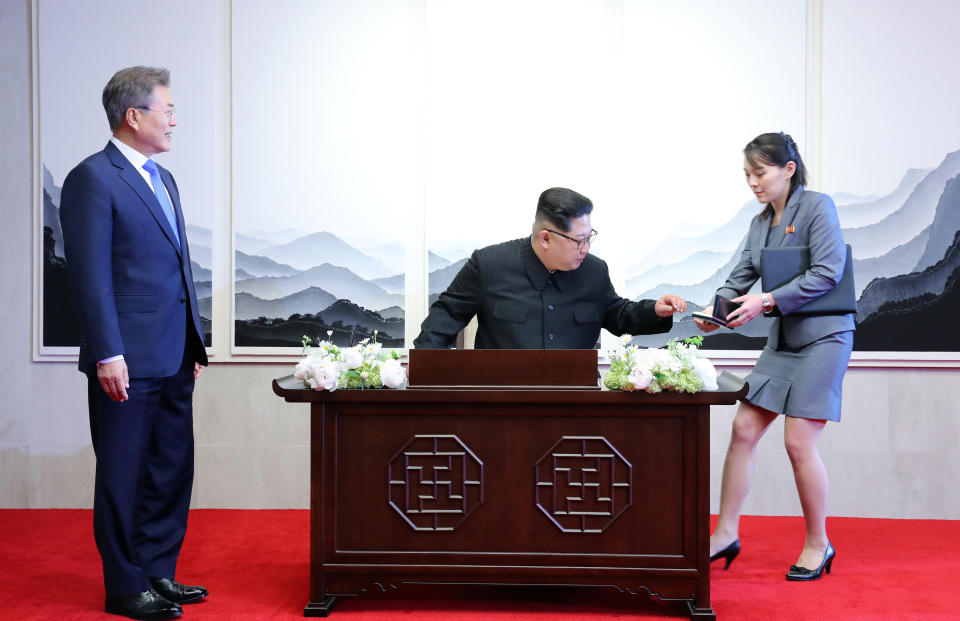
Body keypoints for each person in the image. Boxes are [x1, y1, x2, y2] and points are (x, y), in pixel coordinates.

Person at [60, 66, 209, 620]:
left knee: (171, 466)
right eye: (167, 109)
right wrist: (107, 352)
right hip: (124, 357)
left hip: (174, 354)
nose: (174, 119)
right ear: (134, 115)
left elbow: (177, 270)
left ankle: (156, 571)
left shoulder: (164, 180)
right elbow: (90, 275)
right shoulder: (93, 178)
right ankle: (125, 587)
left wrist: (194, 342)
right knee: (123, 471)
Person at [695, 132, 854, 581]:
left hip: (825, 337)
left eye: (759, 172)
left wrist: (764, 303)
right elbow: (740, 275)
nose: (752, 183)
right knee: (744, 426)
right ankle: (725, 533)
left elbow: (828, 272)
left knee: (798, 442)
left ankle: (819, 544)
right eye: (747, 174)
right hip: (784, 339)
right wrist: (717, 311)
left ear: (788, 169)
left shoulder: (818, 207)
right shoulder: (760, 222)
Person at [414, 187, 686, 349]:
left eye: (589, 237)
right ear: (546, 238)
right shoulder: (489, 264)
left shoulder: (594, 271)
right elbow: (447, 314)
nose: (586, 249)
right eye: (579, 241)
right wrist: (424, 365)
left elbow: (617, 314)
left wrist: (655, 311)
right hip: (500, 402)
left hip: (574, 405)